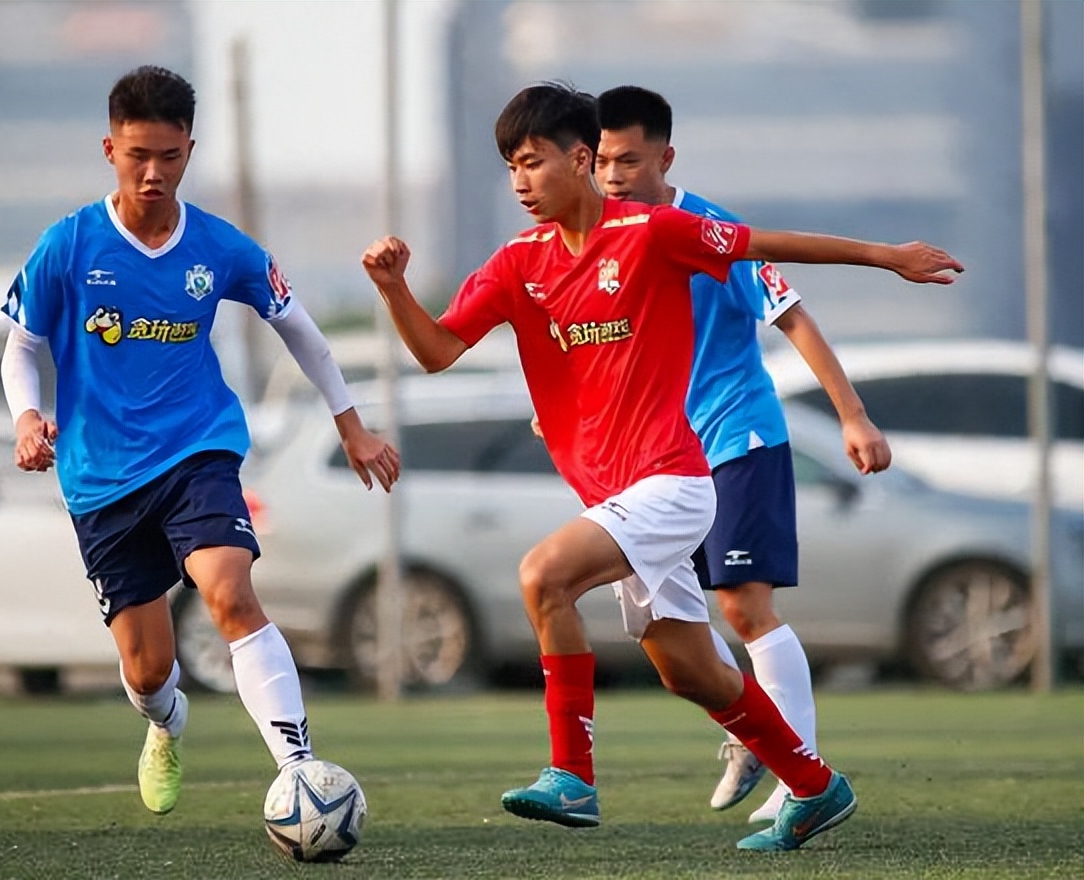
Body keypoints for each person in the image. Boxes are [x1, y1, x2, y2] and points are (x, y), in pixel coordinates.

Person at [361, 82, 961, 851]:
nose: (519, 182)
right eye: (511, 166)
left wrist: (888, 257)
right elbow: (438, 351)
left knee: (544, 576)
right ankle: (815, 787)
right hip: (614, 494)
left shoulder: (653, 232)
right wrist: (393, 289)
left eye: (533, 162)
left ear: (580, 159)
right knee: (689, 670)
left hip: (673, 481)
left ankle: (572, 776)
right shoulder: (518, 262)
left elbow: (765, 245)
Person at [0, 66, 400, 817]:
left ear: (189, 149)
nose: (153, 173)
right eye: (137, 155)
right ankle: (166, 723)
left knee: (230, 592)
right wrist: (26, 417)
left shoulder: (220, 247)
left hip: (197, 451)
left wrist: (350, 424)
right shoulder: (68, 246)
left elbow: (300, 331)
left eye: (169, 156)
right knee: (148, 670)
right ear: (110, 149)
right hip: (100, 477)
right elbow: (21, 348)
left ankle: (299, 770)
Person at [594, 85, 893, 823]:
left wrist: (854, 417)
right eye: (601, 161)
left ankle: (802, 776)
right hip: (657, 458)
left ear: (666, 158)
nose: (613, 176)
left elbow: (793, 317)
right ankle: (754, 731)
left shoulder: (711, 230)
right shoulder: (599, 240)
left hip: (737, 436)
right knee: (668, 635)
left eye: (629, 160)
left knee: (744, 605)